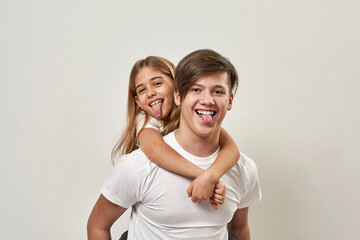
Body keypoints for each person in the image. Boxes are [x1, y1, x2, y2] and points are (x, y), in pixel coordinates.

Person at [87, 49, 262, 239]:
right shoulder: (141, 153)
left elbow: (238, 228)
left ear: (229, 100)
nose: (207, 100)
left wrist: (210, 176)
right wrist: (204, 176)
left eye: (217, 91)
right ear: (178, 96)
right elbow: (98, 225)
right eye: (196, 89)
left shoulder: (244, 169)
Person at [111, 56, 240, 208]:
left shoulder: (193, 112)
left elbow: (231, 149)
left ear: (177, 86)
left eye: (157, 83)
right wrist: (204, 177)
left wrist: (211, 176)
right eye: (142, 90)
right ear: (138, 102)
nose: (150, 93)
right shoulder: (145, 119)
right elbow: (155, 149)